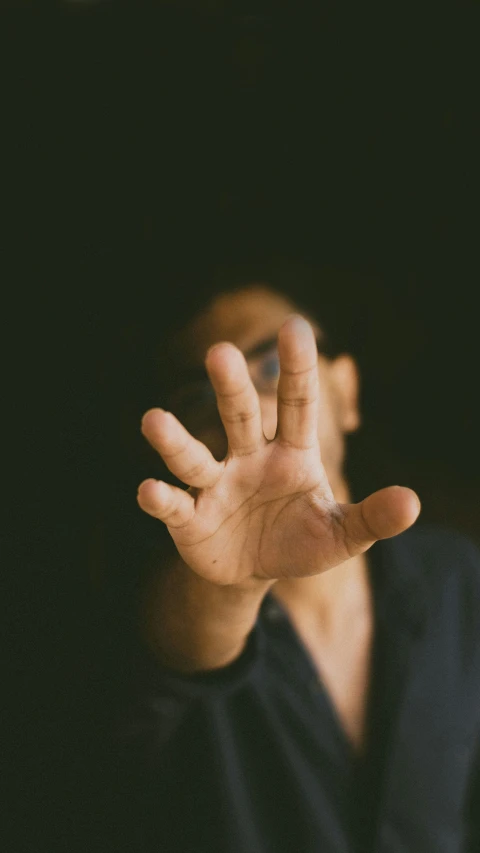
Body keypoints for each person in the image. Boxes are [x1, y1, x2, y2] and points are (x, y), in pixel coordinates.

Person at [85, 270, 480, 853]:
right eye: (203, 396)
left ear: (347, 391)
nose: (242, 402)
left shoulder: (455, 577)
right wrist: (236, 581)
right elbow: (164, 669)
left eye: (270, 364)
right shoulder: (146, 604)